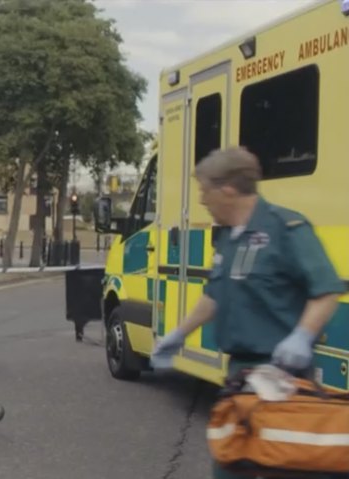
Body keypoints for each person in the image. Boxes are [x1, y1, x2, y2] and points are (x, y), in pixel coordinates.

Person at [149, 147, 346, 479]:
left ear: (228, 189)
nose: (201, 200)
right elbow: (214, 295)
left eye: (204, 190)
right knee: (230, 463)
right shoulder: (228, 238)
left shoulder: (287, 229)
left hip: (282, 378)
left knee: (283, 466)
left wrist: (301, 337)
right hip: (239, 376)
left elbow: (325, 290)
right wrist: (179, 334)